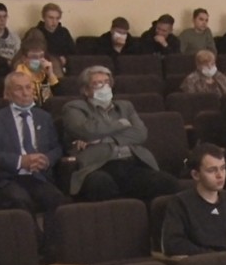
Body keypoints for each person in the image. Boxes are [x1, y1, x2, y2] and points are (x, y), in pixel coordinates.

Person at [0, 72, 67, 255]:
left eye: (28, 87)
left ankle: (51, 249)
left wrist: (46, 159)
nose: (25, 93)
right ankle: (34, 248)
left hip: (37, 176)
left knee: (55, 198)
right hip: (8, 177)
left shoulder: (44, 117)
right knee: (20, 199)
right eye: (19, 89)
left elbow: (57, 148)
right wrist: (20, 161)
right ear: (7, 94)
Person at [60, 66, 179, 203]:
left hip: (131, 162)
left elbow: (140, 134)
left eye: (107, 82)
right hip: (97, 165)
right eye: (98, 83)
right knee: (100, 184)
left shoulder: (125, 106)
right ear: (86, 90)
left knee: (167, 182)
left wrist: (101, 140)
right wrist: (121, 124)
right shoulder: (74, 108)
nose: (104, 87)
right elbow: (86, 131)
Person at [11, 36, 60, 106]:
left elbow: (59, 95)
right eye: (34, 57)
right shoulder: (18, 76)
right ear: (24, 59)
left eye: (41, 56)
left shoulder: (45, 72)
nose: (39, 60)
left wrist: (50, 74)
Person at [34, 3, 75, 70]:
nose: (54, 21)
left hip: (63, 67)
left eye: (57, 18)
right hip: (42, 66)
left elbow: (73, 52)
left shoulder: (64, 32)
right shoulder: (35, 32)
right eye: (51, 18)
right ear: (44, 17)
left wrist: (66, 58)